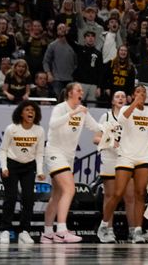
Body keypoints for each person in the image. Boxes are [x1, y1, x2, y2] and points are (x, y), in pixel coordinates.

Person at [98, 85, 148, 244]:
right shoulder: (126, 108)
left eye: (144, 93)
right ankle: (104, 225)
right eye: (138, 92)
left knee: (139, 194)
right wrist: (134, 103)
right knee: (117, 194)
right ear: (133, 95)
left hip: (144, 157)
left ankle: (138, 230)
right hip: (126, 156)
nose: (142, 95)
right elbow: (122, 119)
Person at [43, 83, 101, 243]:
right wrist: (74, 113)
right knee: (69, 188)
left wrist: (113, 128)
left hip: (68, 156)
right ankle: (61, 230)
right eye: (78, 90)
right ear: (69, 93)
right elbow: (53, 124)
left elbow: (96, 127)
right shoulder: (61, 108)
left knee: (57, 195)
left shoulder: (82, 111)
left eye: (82, 90)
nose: (82, 92)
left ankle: (47, 232)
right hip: (54, 152)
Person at [0, 100, 45, 244]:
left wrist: (40, 171)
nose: (30, 112)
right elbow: (2, 150)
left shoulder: (39, 130)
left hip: (28, 166)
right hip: (11, 166)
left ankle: (24, 231)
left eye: (33, 110)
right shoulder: (12, 128)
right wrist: (4, 167)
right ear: (21, 113)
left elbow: (39, 153)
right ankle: (5, 230)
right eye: (27, 110)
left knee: (28, 199)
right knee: (11, 198)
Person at [94, 90, 136, 242]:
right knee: (110, 196)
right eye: (117, 96)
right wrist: (111, 142)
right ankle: (108, 230)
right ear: (112, 101)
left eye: (123, 96)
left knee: (130, 197)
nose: (120, 98)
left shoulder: (131, 117)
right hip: (110, 159)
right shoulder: (106, 116)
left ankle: (133, 231)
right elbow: (96, 138)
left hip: (127, 158)